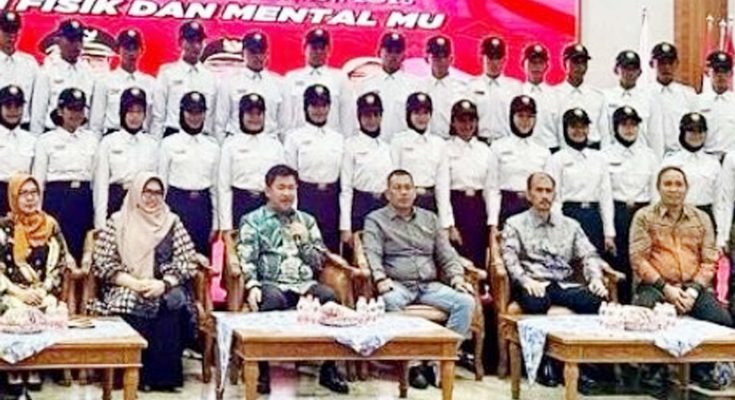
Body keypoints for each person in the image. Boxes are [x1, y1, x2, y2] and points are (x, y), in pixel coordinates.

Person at [236, 164, 350, 395]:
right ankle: (263, 369)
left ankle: (329, 369)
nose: (287, 193)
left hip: (304, 285)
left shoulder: (306, 220)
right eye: (281, 188)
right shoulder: (252, 220)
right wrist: (252, 285)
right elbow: (246, 258)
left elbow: (318, 262)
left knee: (329, 297)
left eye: (291, 188)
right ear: (268, 190)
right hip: (271, 283)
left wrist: (305, 241)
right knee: (271, 300)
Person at [362, 169, 475, 389]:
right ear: (388, 193)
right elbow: (372, 253)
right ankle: (412, 363)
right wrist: (380, 278)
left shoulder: (430, 219)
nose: (403, 193)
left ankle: (437, 361)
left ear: (415, 192)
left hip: (428, 285)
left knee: (465, 302)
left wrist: (457, 278)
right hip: (397, 283)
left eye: (408, 188)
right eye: (397, 188)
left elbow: (447, 254)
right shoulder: (375, 220)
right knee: (389, 301)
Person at [90, 172, 198, 392]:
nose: (152, 198)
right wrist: (133, 283)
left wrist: (164, 283)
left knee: (170, 302)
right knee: (129, 300)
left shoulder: (172, 221)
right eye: (146, 192)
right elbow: (103, 262)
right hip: (125, 283)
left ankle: (161, 379)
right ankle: (127, 375)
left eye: (157, 193)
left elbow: (187, 260)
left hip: (163, 284)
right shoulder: (118, 221)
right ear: (136, 193)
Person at [501, 172, 609, 386]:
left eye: (548, 191)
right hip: (534, 282)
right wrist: (525, 281)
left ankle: (581, 364)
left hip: (563, 283)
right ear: (529, 194)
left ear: (555, 194)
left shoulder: (570, 225)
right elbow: (509, 258)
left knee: (595, 300)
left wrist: (595, 278)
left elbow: (588, 254)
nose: (544, 196)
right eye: (539, 190)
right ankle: (544, 363)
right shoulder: (515, 223)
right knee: (536, 302)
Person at [630, 166, 733, 390]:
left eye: (679, 184)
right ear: (658, 188)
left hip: (692, 286)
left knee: (722, 319)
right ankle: (653, 371)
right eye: (668, 184)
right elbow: (638, 260)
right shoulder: (644, 217)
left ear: (686, 188)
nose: (673, 189)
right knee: (646, 314)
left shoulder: (701, 218)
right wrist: (666, 288)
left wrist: (694, 290)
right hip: (655, 286)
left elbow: (709, 261)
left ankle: (702, 369)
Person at [0, 173, 69, 396]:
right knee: (17, 312)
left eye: (34, 193)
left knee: (50, 308)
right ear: (13, 197)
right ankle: (14, 368)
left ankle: (35, 366)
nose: (30, 198)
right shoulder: (3, 227)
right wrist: (18, 293)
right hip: (11, 292)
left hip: (41, 290)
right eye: (23, 193)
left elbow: (59, 263)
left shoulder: (50, 225)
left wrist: (43, 289)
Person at [601, 106, 658, 303]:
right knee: (620, 264)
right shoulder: (605, 155)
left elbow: (654, 193)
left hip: (643, 213)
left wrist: (655, 223)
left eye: (633, 124)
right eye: (624, 124)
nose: (629, 129)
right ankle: (621, 306)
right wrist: (609, 230)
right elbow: (605, 194)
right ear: (615, 127)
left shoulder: (649, 156)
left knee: (645, 263)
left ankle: (644, 305)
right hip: (618, 213)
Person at [32, 88, 97, 262]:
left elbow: (96, 179)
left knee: (81, 251)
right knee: (56, 251)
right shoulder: (46, 140)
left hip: (83, 198)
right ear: (60, 111)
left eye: (80, 109)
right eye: (71, 109)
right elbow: (38, 180)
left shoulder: (92, 139)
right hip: (56, 198)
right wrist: (38, 214)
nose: (76, 114)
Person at [545, 108, 615, 256]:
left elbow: (605, 197)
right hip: (568, 215)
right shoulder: (556, 159)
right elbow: (554, 199)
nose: (579, 131)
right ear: (565, 129)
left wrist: (609, 232)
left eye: (583, 126)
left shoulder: (599, 158)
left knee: (595, 264)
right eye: (574, 126)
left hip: (593, 218)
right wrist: (557, 229)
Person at [158, 91, 220, 256]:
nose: (195, 117)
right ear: (182, 112)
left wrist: (216, 222)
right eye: (190, 112)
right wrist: (160, 218)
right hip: (176, 204)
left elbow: (215, 188)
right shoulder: (168, 144)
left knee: (202, 260)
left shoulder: (213, 147)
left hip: (202, 208)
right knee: (173, 259)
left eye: (199, 112)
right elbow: (162, 185)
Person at [284, 84, 344, 252]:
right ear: (306, 107)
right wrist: (292, 214)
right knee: (304, 250)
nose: (319, 110)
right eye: (314, 105)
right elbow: (289, 179)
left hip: (332, 201)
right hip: (307, 199)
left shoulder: (338, 138)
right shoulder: (294, 138)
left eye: (323, 105)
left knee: (331, 252)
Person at [94, 87, 159, 229]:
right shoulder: (109, 142)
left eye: (139, 112)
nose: (134, 117)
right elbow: (101, 186)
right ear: (122, 112)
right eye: (130, 111)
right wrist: (100, 223)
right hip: (117, 201)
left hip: (144, 203)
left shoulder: (152, 145)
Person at [218, 93, 285, 232]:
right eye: (250, 114)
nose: (255, 118)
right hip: (240, 205)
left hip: (268, 205)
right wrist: (226, 226)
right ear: (241, 115)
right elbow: (224, 188)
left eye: (258, 114)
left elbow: (284, 184)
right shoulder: (230, 145)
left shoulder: (275, 145)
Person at [487, 95, 551, 233]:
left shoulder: (543, 150)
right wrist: (493, 223)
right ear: (512, 117)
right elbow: (492, 189)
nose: (525, 121)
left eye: (530, 116)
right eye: (520, 116)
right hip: (507, 206)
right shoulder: (498, 147)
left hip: (534, 207)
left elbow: (548, 190)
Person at [214, 31, 290, 142]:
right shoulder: (229, 83)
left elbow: (285, 126)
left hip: (269, 144)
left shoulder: (279, 84)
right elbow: (219, 123)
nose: (257, 56)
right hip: (238, 143)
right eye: (252, 52)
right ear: (242, 53)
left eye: (261, 51)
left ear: (267, 53)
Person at [390, 92, 452, 229]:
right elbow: (393, 180)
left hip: (430, 203)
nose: (421, 117)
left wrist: (446, 223)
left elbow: (442, 185)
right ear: (409, 114)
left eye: (425, 113)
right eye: (417, 113)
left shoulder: (439, 144)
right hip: (405, 202)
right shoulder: (398, 142)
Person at [339, 92, 393, 247]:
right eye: (367, 115)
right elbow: (346, 189)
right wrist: (345, 227)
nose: (372, 120)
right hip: (360, 207)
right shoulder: (350, 146)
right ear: (359, 117)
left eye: (376, 115)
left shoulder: (387, 148)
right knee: (358, 256)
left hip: (384, 208)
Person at [445, 99, 491, 270]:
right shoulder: (445, 149)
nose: (466, 125)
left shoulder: (485, 150)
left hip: (478, 207)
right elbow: (442, 190)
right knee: (458, 259)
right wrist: (449, 224)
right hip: (456, 205)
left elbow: (490, 188)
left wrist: (491, 221)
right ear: (453, 122)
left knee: (479, 258)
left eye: (471, 120)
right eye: (461, 120)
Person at [151, 21, 217, 139]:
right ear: (180, 42)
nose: (196, 46)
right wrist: (156, 143)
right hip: (173, 136)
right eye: (191, 41)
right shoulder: (168, 74)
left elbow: (213, 118)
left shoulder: (211, 78)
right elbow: (158, 116)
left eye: (199, 41)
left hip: (202, 138)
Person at [283, 28, 354, 136]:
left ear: (329, 50)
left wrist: (345, 141)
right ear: (304, 48)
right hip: (300, 140)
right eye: (314, 47)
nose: (318, 52)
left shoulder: (340, 78)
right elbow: (286, 118)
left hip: (331, 141)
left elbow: (347, 117)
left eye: (322, 48)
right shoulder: (291, 78)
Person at [30, 19, 94, 135]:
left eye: (79, 40)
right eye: (71, 40)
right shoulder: (47, 71)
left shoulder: (89, 72)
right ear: (58, 40)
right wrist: (36, 139)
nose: (76, 45)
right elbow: (38, 114)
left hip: (81, 136)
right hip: (53, 134)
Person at [89, 29, 156, 136]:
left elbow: (154, 120)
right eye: (127, 48)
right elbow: (96, 122)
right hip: (112, 138)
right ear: (117, 49)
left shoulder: (151, 83)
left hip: (141, 138)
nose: (131, 53)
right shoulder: (105, 82)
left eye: (135, 48)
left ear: (142, 50)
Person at [355, 32, 420, 141]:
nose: (393, 56)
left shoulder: (415, 85)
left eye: (397, 51)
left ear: (404, 55)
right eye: (389, 50)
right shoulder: (366, 84)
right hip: (373, 144)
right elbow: (357, 119)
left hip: (404, 145)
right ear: (379, 52)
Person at [660, 112, 721, 227]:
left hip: (705, 218)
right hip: (676, 217)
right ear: (683, 132)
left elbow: (719, 202)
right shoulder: (670, 161)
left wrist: (721, 233)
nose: (696, 135)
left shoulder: (713, 163)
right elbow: (660, 197)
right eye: (691, 131)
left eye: (700, 131)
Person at [647, 42, 697, 158]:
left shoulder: (689, 95)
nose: (667, 67)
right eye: (661, 63)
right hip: (651, 157)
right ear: (651, 64)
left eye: (670, 62)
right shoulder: (643, 95)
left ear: (677, 64)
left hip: (681, 156)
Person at [468, 35, 522, 143]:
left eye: (498, 58)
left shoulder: (515, 88)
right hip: (478, 143)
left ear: (505, 60)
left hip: (506, 142)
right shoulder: (471, 86)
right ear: (481, 58)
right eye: (490, 58)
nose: (494, 63)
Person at [554, 43, 609, 149]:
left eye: (583, 62)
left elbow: (605, 133)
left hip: (592, 153)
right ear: (564, 63)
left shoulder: (598, 97)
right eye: (575, 62)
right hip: (563, 152)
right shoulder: (553, 96)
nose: (580, 66)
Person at [419, 35, 467, 139]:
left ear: (451, 59)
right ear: (427, 59)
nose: (440, 61)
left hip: (452, 143)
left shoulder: (463, 89)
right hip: (424, 142)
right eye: (435, 56)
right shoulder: (418, 87)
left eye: (444, 56)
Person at [603, 50, 653, 149]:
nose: (629, 72)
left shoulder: (649, 99)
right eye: (625, 68)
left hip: (641, 153)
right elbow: (604, 132)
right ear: (616, 70)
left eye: (634, 69)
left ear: (640, 72)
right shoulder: (605, 97)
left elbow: (654, 134)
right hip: (614, 153)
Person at [0, 85, 36, 216]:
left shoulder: (32, 140)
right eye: (8, 106)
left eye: (18, 106)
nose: (13, 110)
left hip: (24, 196)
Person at [0, 11, 39, 131]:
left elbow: (37, 102)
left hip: (23, 128)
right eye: (6, 30)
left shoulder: (30, 63)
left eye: (14, 30)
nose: (11, 35)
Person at [520, 43, 560, 152]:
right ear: (523, 64)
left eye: (540, 62)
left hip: (550, 149)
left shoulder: (556, 95)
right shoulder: (516, 92)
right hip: (524, 149)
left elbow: (561, 128)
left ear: (547, 66)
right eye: (532, 62)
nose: (536, 66)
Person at [698, 51, 735, 159]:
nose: (720, 75)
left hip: (732, 159)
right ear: (708, 72)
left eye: (725, 71)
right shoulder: (697, 101)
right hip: (705, 158)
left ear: (731, 74)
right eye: (716, 71)